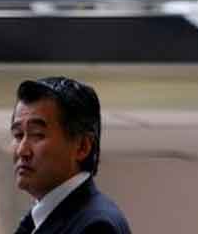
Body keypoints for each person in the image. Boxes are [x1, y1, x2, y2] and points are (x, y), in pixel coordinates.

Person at [10, 77, 131, 234]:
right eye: (18, 135)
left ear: (82, 147)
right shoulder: (38, 220)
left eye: (37, 134)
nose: (22, 150)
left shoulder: (96, 226)